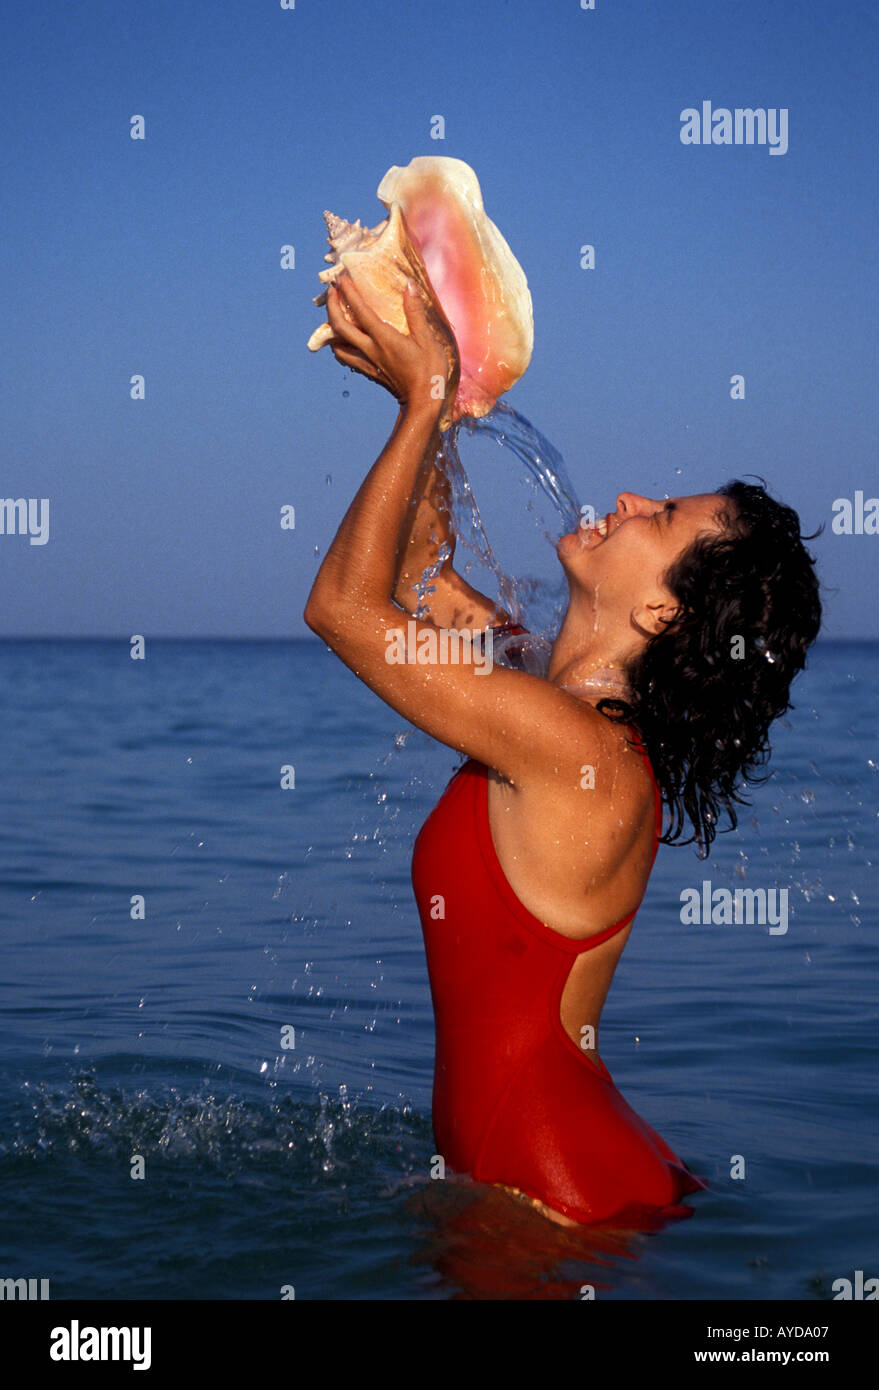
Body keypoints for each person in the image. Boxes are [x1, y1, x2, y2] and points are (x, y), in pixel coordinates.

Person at [305, 271, 822, 1225]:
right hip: (564, 1166)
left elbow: (342, 610)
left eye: (661, 514)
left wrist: (422, 401)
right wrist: (435, 390)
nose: (629, 497)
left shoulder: (571, 748)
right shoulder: (551, 701)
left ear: (662, 610)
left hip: (547, 1194)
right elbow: (418, 572)